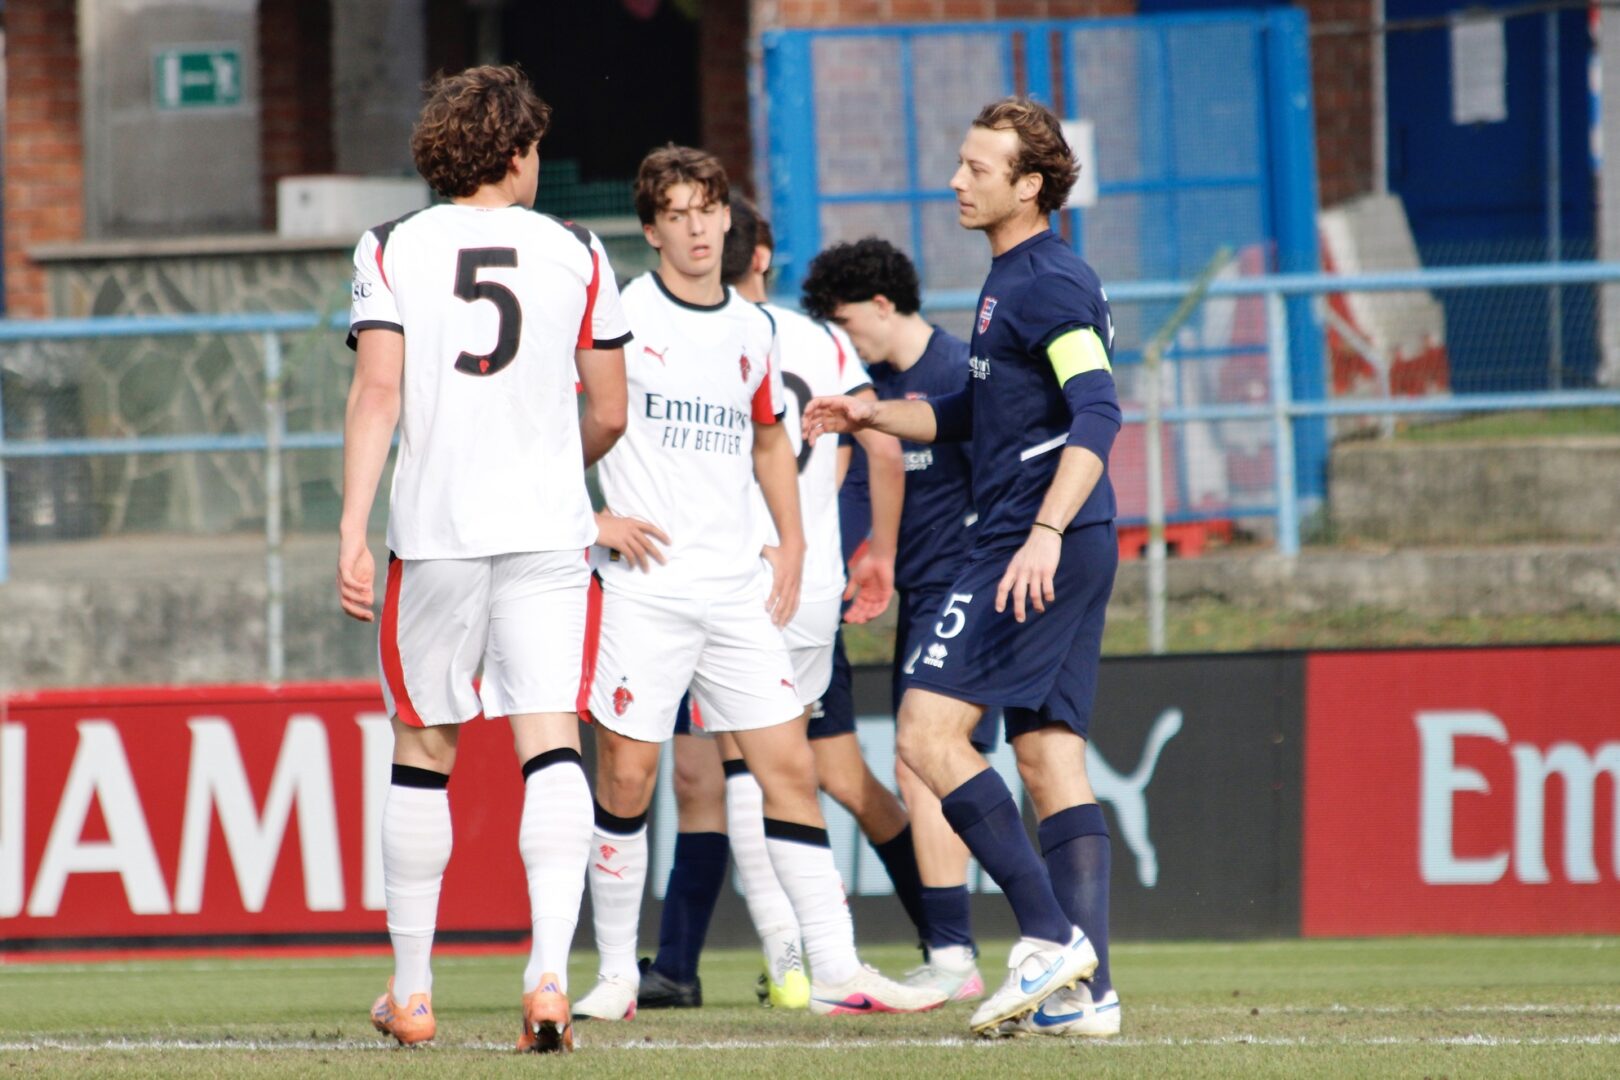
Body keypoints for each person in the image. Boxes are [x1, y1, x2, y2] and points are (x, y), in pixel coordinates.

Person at [572, 144, 946, 1021]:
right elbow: (557, 421)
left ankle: (838, 969)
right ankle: (617, 974)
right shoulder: (620, 313)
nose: (697, 229)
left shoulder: (754, 328)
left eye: (708, 210)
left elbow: (772, 438)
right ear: (652, 229)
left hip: (738, 589)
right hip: (646, 586)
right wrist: (590, 520)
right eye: (677, 214)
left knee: (790, 770)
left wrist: (793, 541)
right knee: (627, 777)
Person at [803, 97, 1123, 1039]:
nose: (956, 180)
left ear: (1030, 186)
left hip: (1033, 539)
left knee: (925, 733)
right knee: (1047, 754)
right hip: (1063, 535)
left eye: (978, 168)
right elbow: (973, 417)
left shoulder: (1047, 283)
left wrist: (1045, 531)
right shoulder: (1010, 280)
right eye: (961, 161)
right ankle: (1088, 995)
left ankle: (1051, 938)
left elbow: (1098, 409)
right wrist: (874, 414)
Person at [338, 64, 635, 1054]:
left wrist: (351, 527)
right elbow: (610, 411)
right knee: (551, 744)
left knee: (424, 751)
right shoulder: (578, 250)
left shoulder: (391, 246)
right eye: (536, 147)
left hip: (436, 534)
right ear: (513, 153)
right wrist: (551, 469)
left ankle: (413, 992)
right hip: (549, 533)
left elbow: (377, 394)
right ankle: (548, 976)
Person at [636, 199, 918, 1012]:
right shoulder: (817, 339)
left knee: (734, 773)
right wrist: (866, 547)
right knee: (797, 771)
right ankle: (938, 945)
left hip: (725, 577)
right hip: (808, 579)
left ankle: (790, 961)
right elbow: (874, 449)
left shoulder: (702, 337)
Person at [799, 236, 986, 1002]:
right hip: (920, 596)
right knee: (927, 763)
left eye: (846, 321)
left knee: (923, 759)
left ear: (882, 305)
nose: (842, 340)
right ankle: (957, 951)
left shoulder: (958, 374)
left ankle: (956, 956)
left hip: (969, 590)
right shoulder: (866, 387)